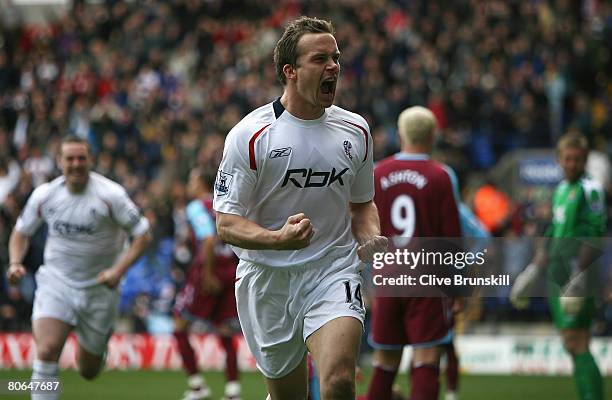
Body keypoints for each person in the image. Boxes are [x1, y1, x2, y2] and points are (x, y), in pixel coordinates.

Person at [212, 16, 387, 400]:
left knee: (340, 381)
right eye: (320, 59)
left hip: (333, 269)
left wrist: (370, 235)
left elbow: (362, 205)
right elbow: (226, 223)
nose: (333, 67)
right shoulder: (251, 135)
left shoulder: (356, 131)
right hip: (268, 281)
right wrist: (278, 239)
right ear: (290, 72)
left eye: (336, 58)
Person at [6, 135, 151, 400]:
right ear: (59, 161)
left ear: (91, 160)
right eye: (69, 158)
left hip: (100, 288)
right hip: (56, 282)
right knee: (47, 350)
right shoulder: (45, 195)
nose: (76, 164)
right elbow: (20, 232)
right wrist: (15, 262)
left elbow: (143, 235)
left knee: (88, 370)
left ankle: (96, 347)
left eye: (81, 158)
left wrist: (118, 271)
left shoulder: (111, 195)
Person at [364, 106, 462, 400]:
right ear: (433, 136)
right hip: (427, 279)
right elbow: (451, 239)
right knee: (427, 358)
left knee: (385, 361)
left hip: (389, 278)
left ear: (400, 134)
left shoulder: (377, 173)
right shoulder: (441, 176)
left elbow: (365, 227)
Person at [511, 132, 606, 400]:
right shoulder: (561, 190)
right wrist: (533, 270)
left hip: (578, 275)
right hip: (558, 273)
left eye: (577, 159)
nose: (572, 164)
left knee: (577, 340)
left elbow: (596, 234)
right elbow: (552, 232)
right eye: (567, 159)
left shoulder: (591, 189)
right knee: (571, 343)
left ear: (585, 160)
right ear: (559, 160)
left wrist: (580, 273)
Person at [173, 166, 241, 400]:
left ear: (201, 183)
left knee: (179, 324)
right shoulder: (223, 204)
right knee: (224, 330)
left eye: (192, 180)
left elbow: (208, 239)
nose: (189, 185)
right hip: (229, 271)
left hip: (208, 271)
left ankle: (196, 386)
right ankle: (233, 392)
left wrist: (208, 274)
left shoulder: (196, 207)